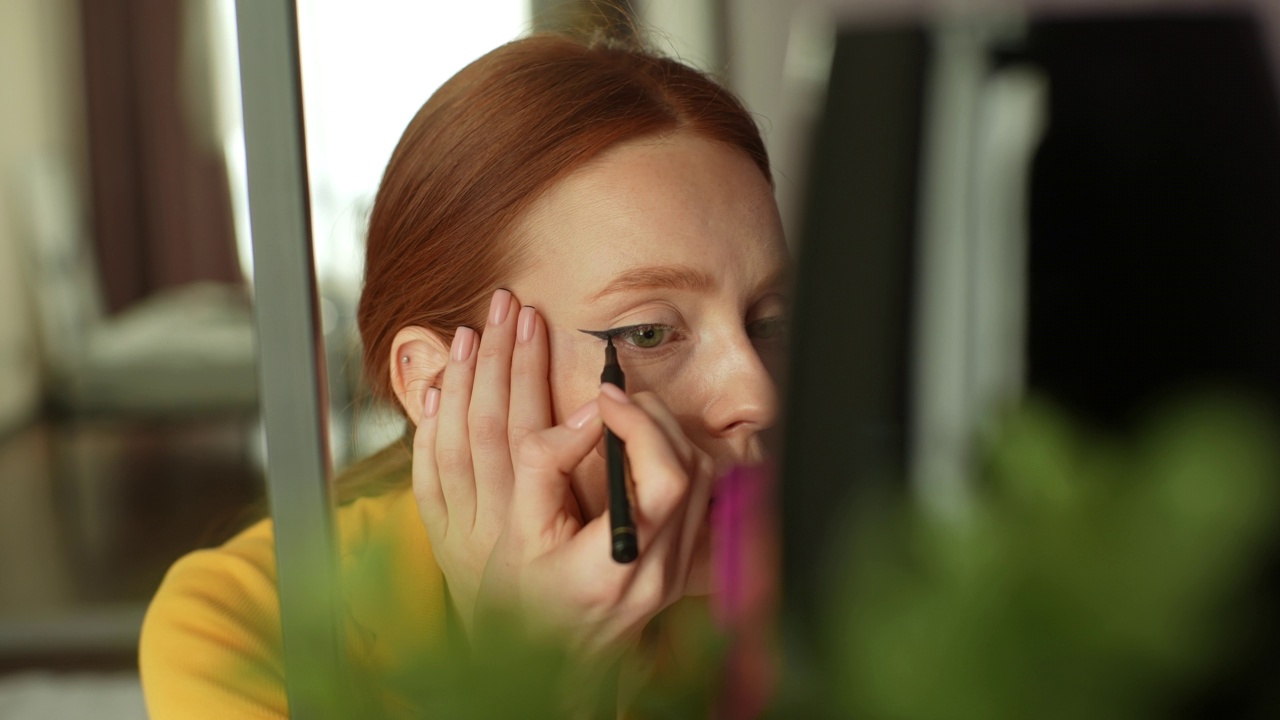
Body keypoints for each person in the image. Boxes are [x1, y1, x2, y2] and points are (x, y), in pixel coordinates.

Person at [139, 29, 788, 719]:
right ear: (437, 383)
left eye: (769, 323)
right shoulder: (246, 626)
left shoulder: (836, 572)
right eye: (648, 332)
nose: (759, 396)